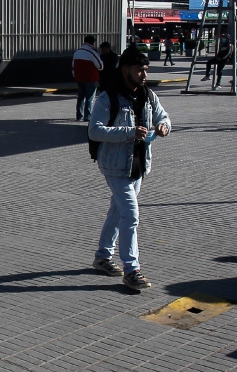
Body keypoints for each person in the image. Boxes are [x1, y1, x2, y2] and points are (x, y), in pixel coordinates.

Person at [88, 47, 171, 291]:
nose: (144, 75)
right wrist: (129, 132)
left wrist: (164, 126)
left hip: (138, 165)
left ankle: (102, 257)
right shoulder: (108, 98)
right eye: (140, 70)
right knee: (131, 216)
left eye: (146, 70)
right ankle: (132, 269)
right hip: (115, 166)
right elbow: (94, 130)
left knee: (118, 212)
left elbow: (163, 116)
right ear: (125, 70)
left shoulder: (148, 95)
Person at [72, 35, 103, 122]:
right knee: (90, 97)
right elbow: (100, 66)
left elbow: (73, 66)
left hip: (79, 78)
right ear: (93, 42)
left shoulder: (77, 53)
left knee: (81, 97)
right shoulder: (92, 52)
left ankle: (79, 115)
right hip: (90, 78)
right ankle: (87, 116)